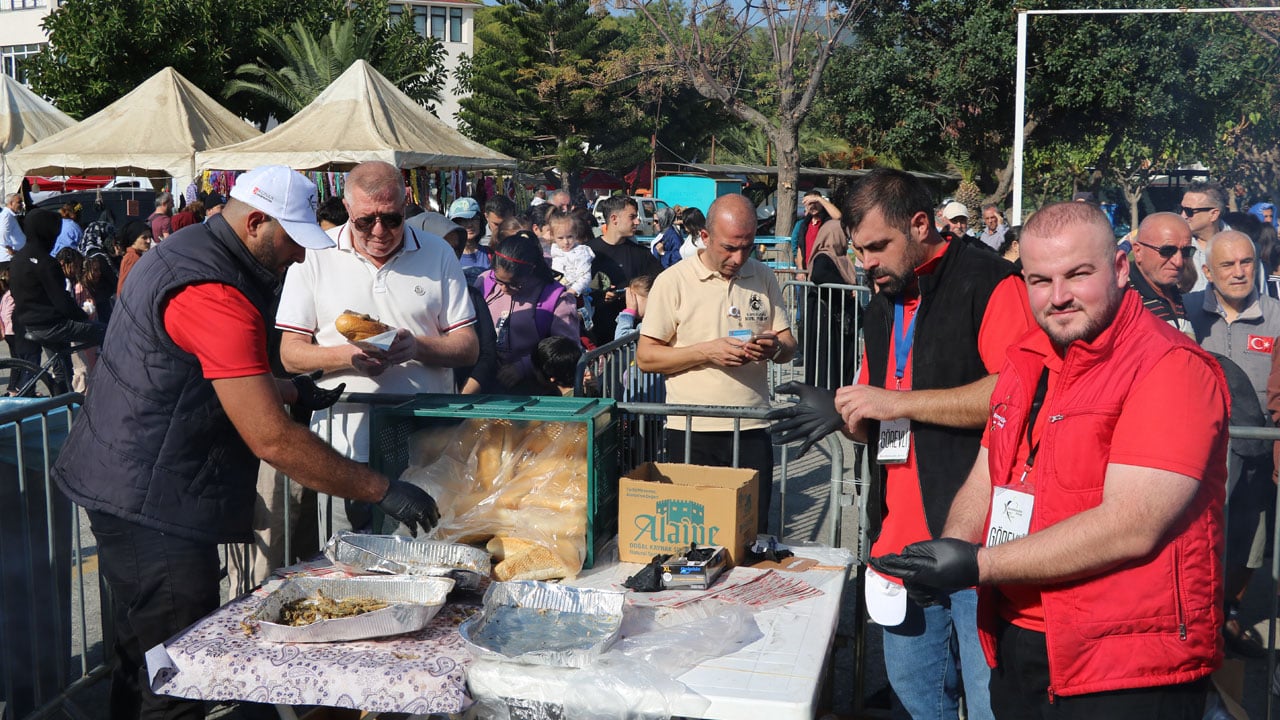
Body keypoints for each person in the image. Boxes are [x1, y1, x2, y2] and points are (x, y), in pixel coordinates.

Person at [51, 165, 443, 720]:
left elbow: (194, 371)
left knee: (142, 651)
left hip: (128, 475)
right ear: (256, 222)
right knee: (178, 670)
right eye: (292, 240)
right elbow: (272, 441)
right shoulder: (214, 291)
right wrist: (381, 488)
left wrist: (292, 390)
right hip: (149, 494)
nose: (301, 257)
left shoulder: (187, 247)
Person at [871, 201, 1228, 718]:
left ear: (1120, 269)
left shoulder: (1169, 367)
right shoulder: (1027, 358)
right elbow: (987, 472)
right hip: (1021, 639)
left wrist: (977, 564)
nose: (1057, 297)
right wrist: (947, 549)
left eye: (1078, 275)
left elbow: (1131, 525)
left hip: (1124, 663)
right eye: (1039, 280)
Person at [774, 168, 1029, 720]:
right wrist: (843, 412)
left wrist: (899, 402)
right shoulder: (883, 295)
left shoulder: (988, 282)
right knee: (917, 705)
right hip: (899, 537)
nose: (865, 262)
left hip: (975, 545)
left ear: (920, 225)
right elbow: (877, 401)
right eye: (859, 249)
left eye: (877, 247)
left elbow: (1012, 393)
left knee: (990, 707)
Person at [276, 160, 478, 533]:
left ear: (406, 207)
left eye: (391, 218)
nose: (380, 230)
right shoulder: (315, 255)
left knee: (418, 560)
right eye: (366, 220)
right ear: (348, 210)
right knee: (345, 567)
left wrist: (416, 347)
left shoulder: (438, 253)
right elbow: (290, 353)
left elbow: (468, 347)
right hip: (343, 448)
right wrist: (348, 358)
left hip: (424, 446)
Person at [637, 194, 796, 534]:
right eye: (729, 248)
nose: (739, 258)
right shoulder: (673, 281)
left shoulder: (763, 276)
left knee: (750, 532)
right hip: (692, 429)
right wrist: (706, 352)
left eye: (748, 247)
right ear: (704, 237)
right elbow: (646, 356)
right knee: (694, 534)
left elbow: (789, 344)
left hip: (752, 426)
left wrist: (774, 348)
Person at [1185, 230, 1279, 658]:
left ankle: (1230, 611)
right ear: (1207, 272)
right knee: (1200, 540)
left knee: (1249, 541)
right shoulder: (1186, 315)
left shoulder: (1277, 318)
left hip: (1257, 459)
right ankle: (1198, 616)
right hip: (1199, 460)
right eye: (1228, 265)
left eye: (1247, 263)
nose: (1240, 272)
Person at [11, 209, 106, 393]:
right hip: (52, 325)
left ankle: (62, 400)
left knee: (61, 367)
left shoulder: (17, 259)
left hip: (26, 323)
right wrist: (83, 317)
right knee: (106, 332)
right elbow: (62, 302)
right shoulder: (47, 263)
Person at [408, 211, 499, 395]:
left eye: (456, 248)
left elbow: (487, 353)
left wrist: (462, 397)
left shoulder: (469, 293)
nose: (451, 255)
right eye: (443, 247)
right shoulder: (395, 291)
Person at [479, 231, 580, 392]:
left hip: (536, 389)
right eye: (499, 281)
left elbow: (566, 351)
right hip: (487, 384)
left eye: (514, 284)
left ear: (531, 271)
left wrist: (524, 367)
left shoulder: (556, 298)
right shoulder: (485, 283)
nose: (504, 288)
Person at [588, 195, 662, 345]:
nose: (637, 221)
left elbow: (662, 283)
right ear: (614, 219)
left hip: (630, 340)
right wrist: (598, 295)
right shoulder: (588, 252)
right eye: (632, 217)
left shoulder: (641, 254)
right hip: (596, 336)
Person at [1129, 211, 1194, 335]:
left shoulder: (1175, 292)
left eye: (1186, 251)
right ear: (1138, 252)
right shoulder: (1121, 299)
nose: (1178, 262)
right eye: (1167, 250)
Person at [1181, 181, 1230, 293]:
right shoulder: (1176, 248)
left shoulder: (1243, 247)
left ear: (1213, 214)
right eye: (1181, 209)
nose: (1182, 215)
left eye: (1189, 211)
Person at [792, 191, 842, 281]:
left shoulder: (828, 222)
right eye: (809, 203)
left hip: (826, 273)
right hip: (807, 274)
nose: (812, 206)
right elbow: (800, 248)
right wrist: (800, 269)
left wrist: (819, 198)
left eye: (815, 203)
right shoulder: (804, 225)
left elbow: (838, 217)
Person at [448, 197, 490, 283]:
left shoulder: (490, 254)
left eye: (474, 219)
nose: (469, 224)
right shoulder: (447, 257)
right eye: (462, 220)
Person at [115, 222, 153, 295]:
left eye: (150, 237)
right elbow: (124, 287)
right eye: (144, 237)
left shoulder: (136, 255)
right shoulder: (132, 258)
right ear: (133, 239)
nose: (149, 241)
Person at [1, 193, 26, 268]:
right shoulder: (6, 216)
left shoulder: (10, 215)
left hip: (13, 258)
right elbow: (2, 234)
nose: (21, 204)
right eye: (19, 202)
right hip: (8, 259)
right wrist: (10, 250)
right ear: (11, 203)